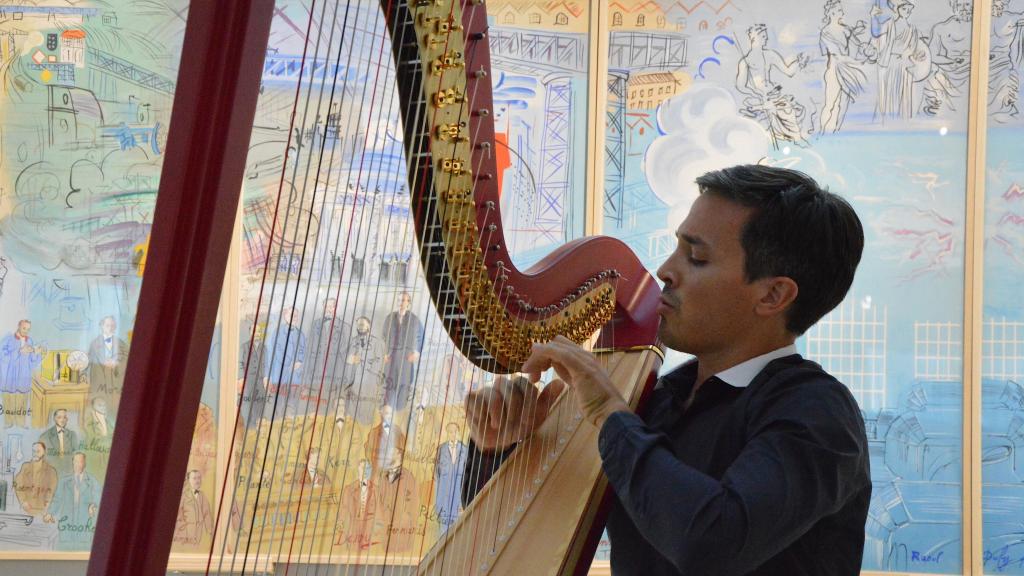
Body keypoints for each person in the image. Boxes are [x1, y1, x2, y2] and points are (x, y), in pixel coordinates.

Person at [464, 165, 871, 575]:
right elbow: (535, 525)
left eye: (696, 257)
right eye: (676, 248)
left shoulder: (818, 413)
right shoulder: (659, 400)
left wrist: (608, 410)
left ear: (773, 294)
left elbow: (712, 541)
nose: (665, 271)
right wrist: (500, 446)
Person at [45, 452, 101, 550]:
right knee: (65, 547)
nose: (78, 465)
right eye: (75, 462)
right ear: (72, 463)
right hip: (67, 521)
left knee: (84, 547)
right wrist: (50, 513)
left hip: (84, 522)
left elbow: (98, 495)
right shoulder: (64, 481)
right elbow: (57, 499)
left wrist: (93, 505)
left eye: (80, 462)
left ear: (84, 464)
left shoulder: (92, 481)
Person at [382, 292, 423, 411]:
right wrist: (385, 353)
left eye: (404, 300)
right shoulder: (390, 318)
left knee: (404, 383)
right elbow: (384, 337)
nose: (401, 303)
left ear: (408, 303)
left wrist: (415, 353)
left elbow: (419, 336)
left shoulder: (414, 319)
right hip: (392, 355)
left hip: (406, 357)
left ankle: (400, 409)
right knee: (390, 382)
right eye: (399, 300)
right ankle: (389, 409)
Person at [0, 319, 44, 428]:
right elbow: (2, 355)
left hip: (24, 375)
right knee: (9, 398)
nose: (26, 331)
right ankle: (8, 422)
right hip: (10, 375)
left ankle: (20, 422)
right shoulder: (8, 339)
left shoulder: (30, 341)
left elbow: (33, 361)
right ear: (19, 326)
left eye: (28, 329)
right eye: (24, 328)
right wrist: (18, 352)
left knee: (23, 399)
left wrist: (36, 353)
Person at [87, 315, 129, 410]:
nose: (110, 328)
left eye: (112, 325)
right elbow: (89, 360)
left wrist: (116, 363)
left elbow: (128, 359)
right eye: (107, 325)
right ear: (102, 326)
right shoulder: (94, 343)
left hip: (115, 380)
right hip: (100, 380)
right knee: (98, 405)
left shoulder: (121, 343)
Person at [13, 442, 58, 516]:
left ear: (44, 452)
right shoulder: (25, 467)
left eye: (38, 451)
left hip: (42, 511)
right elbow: (17, 484)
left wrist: (46, 506)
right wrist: (23, 501)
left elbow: (52, 491)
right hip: (26, 510)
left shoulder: (51, 471)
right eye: (33, 451)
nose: (35, 453)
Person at [39, 408, 79, 475]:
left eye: (64, 417)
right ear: (54, 418)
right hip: (51, 474)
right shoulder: (45, 436)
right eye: (59, 417)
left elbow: (76, 455)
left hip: (69, 473)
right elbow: (41, 458)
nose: (62, 420)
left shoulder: (72, 435)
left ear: (67, 419)